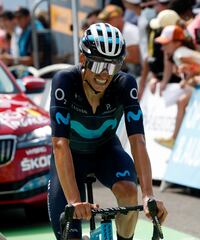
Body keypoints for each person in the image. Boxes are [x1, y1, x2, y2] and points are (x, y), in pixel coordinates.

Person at [47, 23, 167, 240]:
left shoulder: (124, 83)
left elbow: (137, 140)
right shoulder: (64, 81)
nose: (105, 75)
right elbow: (59, 144)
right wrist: (74, 201)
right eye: (98, 65)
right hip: (70, 157)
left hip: (106, 151)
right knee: (69, 234)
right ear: (83, 60)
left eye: (112, 67)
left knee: (129, 192)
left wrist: (148, 195)